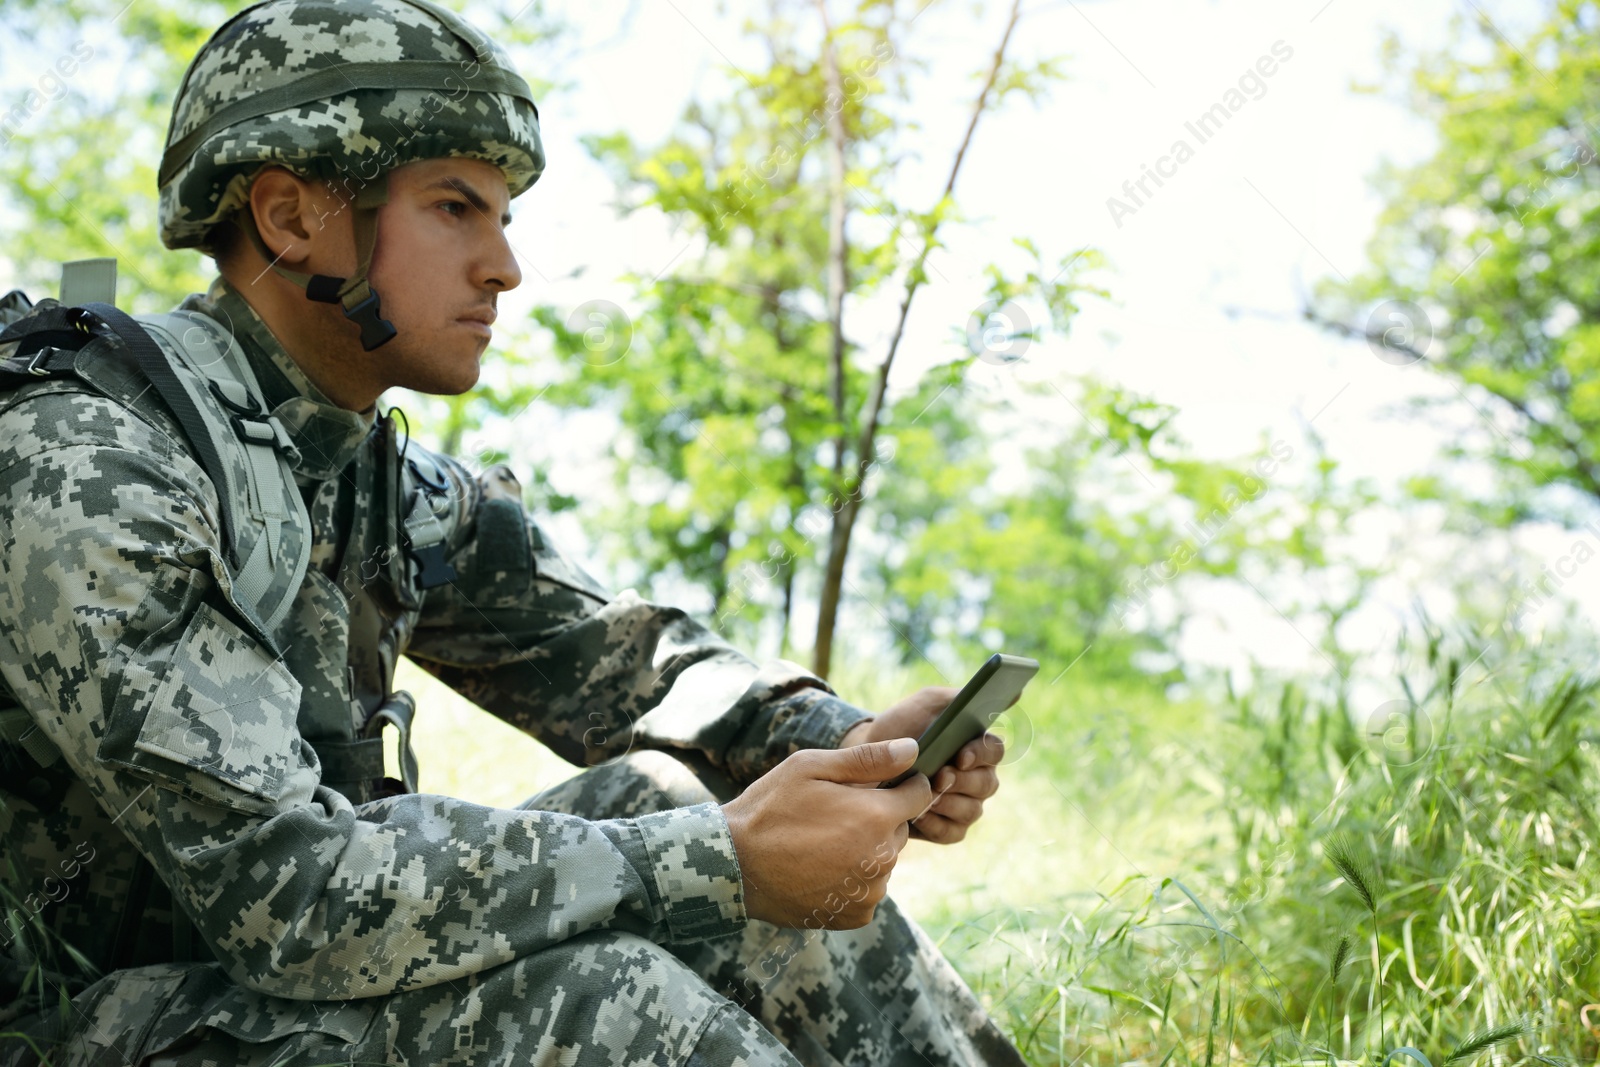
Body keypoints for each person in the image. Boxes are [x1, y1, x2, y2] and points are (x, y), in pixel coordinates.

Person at [0, 1, 1024, 1064]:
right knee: (600, 991)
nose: (503, 267)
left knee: (669, 795)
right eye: (455, 208)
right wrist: (713, 859)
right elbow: (287, 887)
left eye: (503, 219)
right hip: (63, 1019)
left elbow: (619, 661)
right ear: (291, 214)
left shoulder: (362, 474)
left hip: (236, 982)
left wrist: (840, 742)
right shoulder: (88, 460)